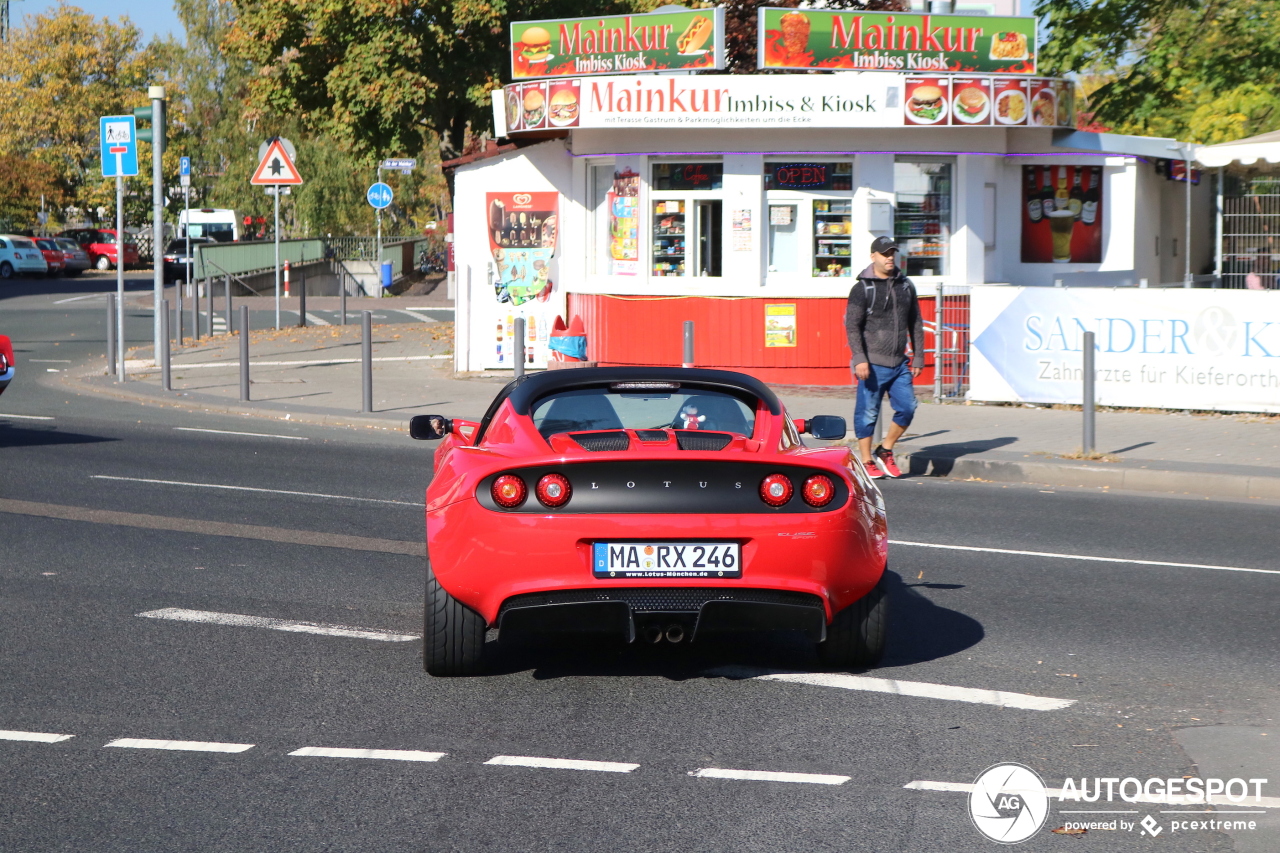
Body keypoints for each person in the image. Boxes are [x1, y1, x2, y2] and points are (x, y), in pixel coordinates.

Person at [844, 236, 924, 479]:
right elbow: (852, 326)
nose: (889, 257)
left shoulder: (906, 286)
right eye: (884, 254)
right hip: (871, 363)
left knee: (908, 408)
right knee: (867, 413)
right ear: (873, 257)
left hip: (899, 362)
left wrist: (918, 356)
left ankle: (885, 449)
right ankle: (866, 460)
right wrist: (859, 358)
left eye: (892, 253)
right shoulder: (862, 288)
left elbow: (916, 322)